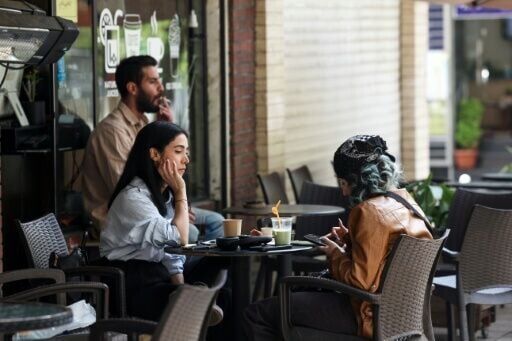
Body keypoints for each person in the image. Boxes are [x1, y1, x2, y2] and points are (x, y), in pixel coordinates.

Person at [243, 135, 433, 340]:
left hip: (367, 315)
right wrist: (351, 243)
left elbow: (359, 281)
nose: (342, 191)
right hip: (402, 315)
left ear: (358, 181)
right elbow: (384, 259)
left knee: (258, 313)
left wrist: (335, 254)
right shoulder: (406, 202)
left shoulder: (368, 211)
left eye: (343, 183)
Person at [100, 121, 229, 330]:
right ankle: (195, 299)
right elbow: (180, 239)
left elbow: (172, 253)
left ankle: (194, 296)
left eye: (186, 152)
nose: (186, 160)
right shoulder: (133, 198)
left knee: (222, 278)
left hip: (158, 278)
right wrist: (181, 192)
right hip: (131, 286)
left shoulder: (162, 195)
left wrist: (180, 286)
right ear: (155, 154)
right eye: (179, 151)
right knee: (203, 304)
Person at [81, 55, 223, 242]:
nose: (161, 88)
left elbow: (167, 169)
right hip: (126, 218)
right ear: (132, 88)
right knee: (191, 233)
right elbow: (127, 188)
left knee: (217, 221)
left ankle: (195, 270)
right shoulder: (112, 131)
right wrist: (175, 208)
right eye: (153, 82)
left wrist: (168, 133)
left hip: (158, 203)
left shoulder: (144, 123)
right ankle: (176, 271)